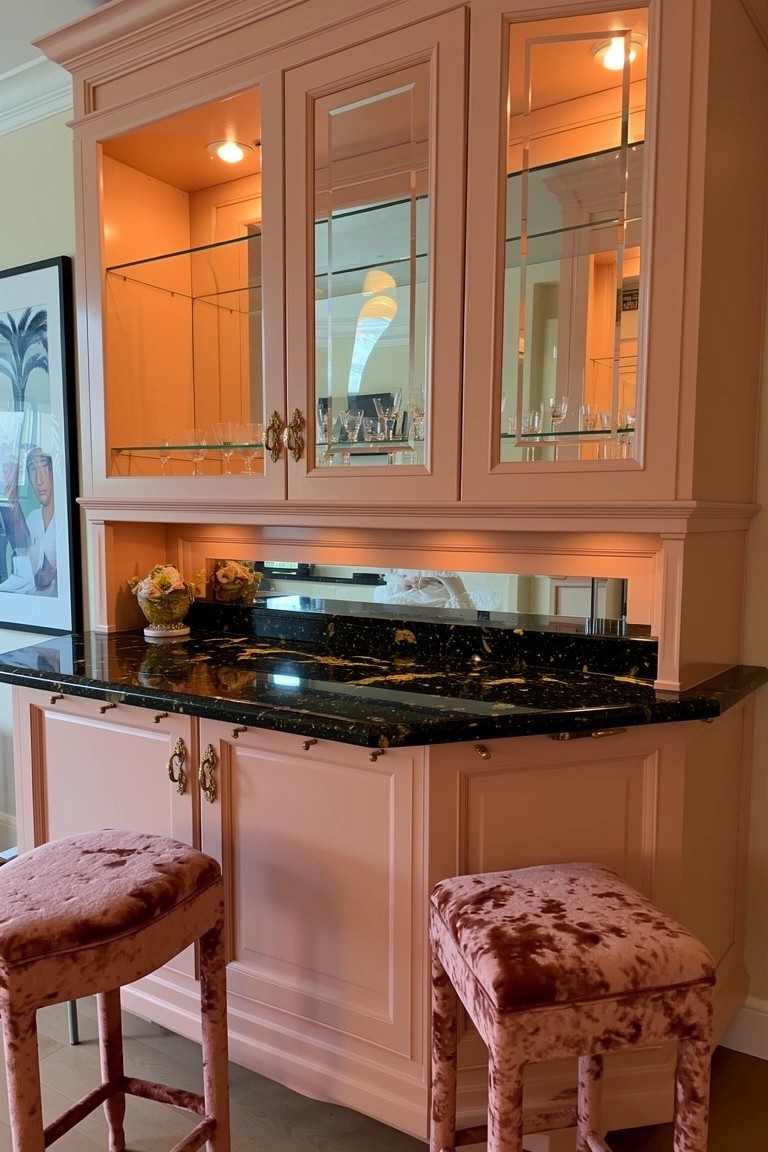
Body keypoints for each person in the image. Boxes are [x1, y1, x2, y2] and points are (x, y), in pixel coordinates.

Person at [0, 447, 56, 594]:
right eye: (32, 469)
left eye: (45, 467)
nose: (39, 480)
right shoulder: (32, 520)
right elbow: (24, 574)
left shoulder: (66, 522)